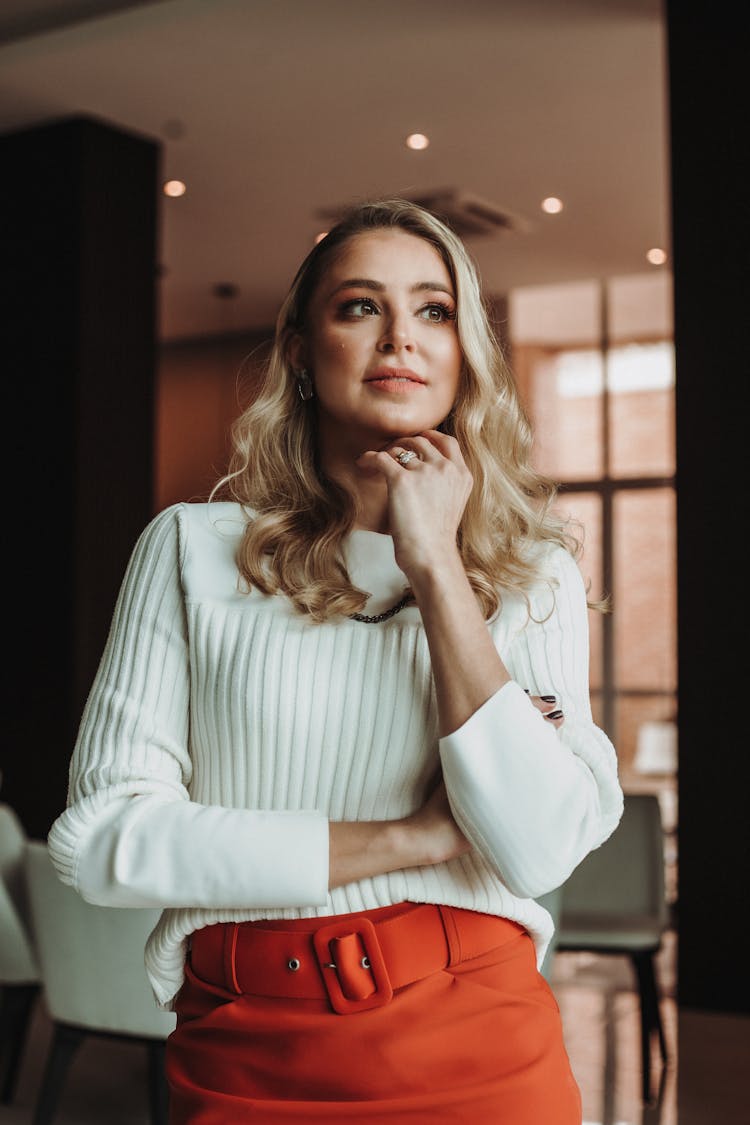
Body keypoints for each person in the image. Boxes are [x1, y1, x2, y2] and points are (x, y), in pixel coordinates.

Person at [48, 198, 623, 1123]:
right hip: (245, 1046)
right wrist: (413, 839)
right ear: (301, 353)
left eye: (434, 311)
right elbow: (103, 840)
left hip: (478, 1038)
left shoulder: (532, 571)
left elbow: (539, 845)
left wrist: (435, 564)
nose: (401, 335)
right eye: (360, 306)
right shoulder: (192, 549)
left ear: (464, 354)